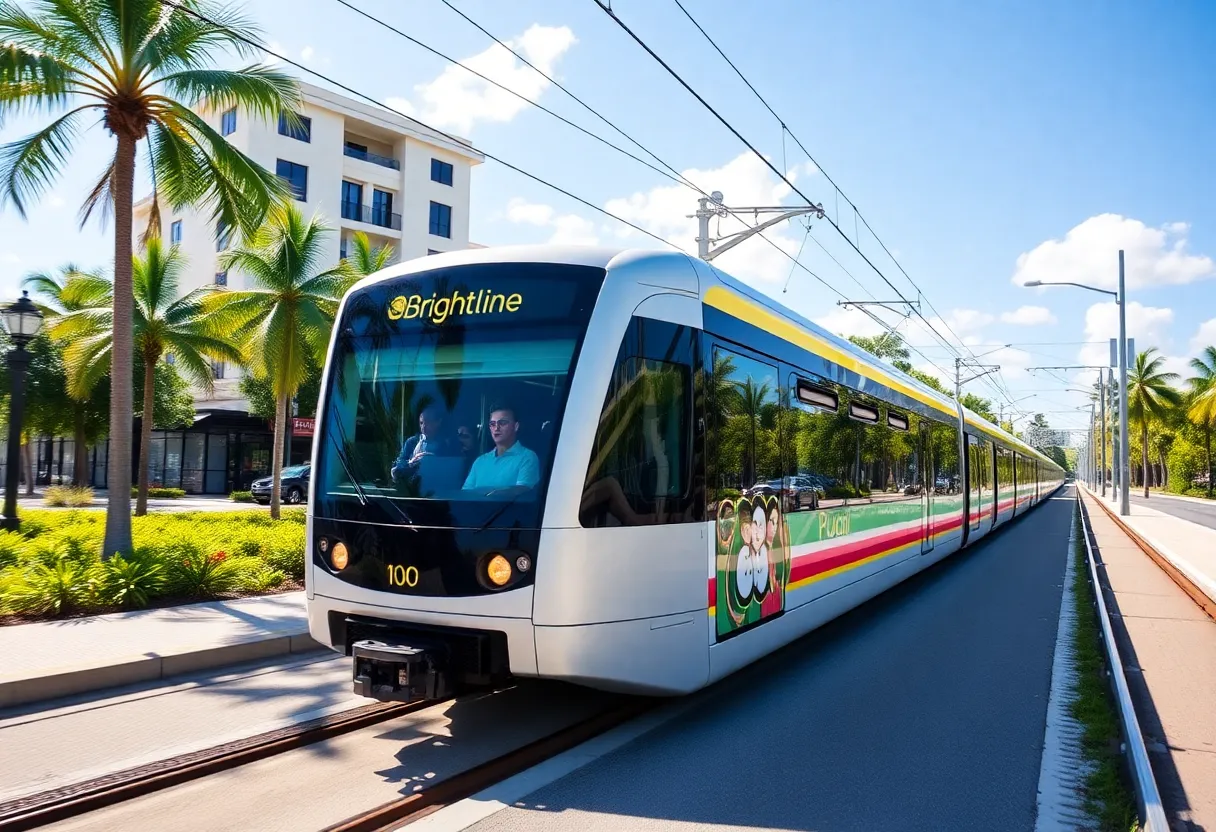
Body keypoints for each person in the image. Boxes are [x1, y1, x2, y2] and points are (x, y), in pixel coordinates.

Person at [462, 403, 540, 491]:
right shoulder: (480, 461)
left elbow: (522, 492)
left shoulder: (527, 457)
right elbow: (466, 493)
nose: (496, 428)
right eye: (492, 424)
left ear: (516, 426)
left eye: (502, 423)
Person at [391, 405, 455, 482]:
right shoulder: (412, 442)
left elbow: (450, 469)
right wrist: (411, 462)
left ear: (438, 422)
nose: (423, 427)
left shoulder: (446, 444)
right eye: (421, 423)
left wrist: (432, 460)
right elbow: (399, 464)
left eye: (428, 422)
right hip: (412, 488)